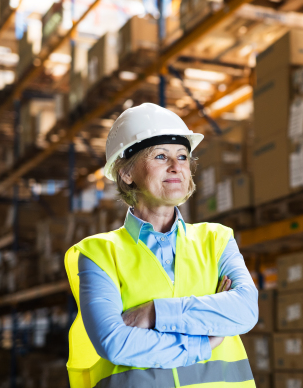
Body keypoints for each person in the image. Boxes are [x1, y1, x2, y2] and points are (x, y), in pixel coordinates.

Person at [64, 103, 259, 388]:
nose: (176, 166)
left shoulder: (216, 239)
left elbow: (245, 310)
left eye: (182, 156)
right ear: (126, 174)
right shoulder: (98, 254)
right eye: (160, 156)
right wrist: (204, 342)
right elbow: (115, 342)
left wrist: (155, 312)